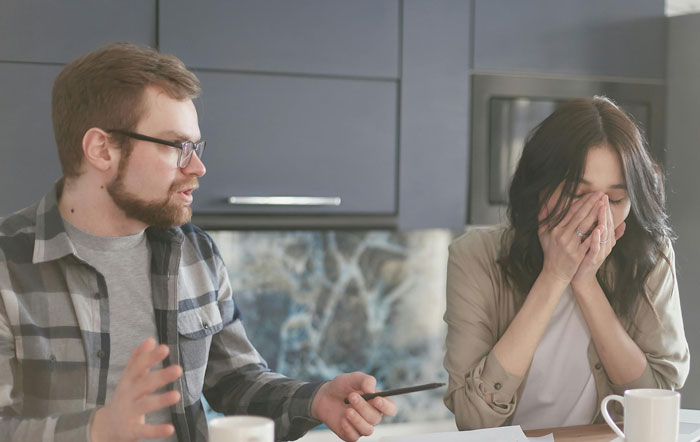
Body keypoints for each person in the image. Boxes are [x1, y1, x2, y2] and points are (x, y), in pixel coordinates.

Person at [0, 42, 397, 442]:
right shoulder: (7, 265)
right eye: (178, 147)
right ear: (102, 149)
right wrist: (95, 430)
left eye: (196, 147)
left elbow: (236, 380)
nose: (198, 167)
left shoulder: (194, 252)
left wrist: (315, 400)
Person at [443, 96, 689, 430]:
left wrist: (586, 283)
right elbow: (473, 419)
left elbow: (658, 396)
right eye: (577, 194)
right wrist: (554, 276)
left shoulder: (650, 256)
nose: (598, 217)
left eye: (616, 199)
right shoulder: (474, 257)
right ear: (540, 188)